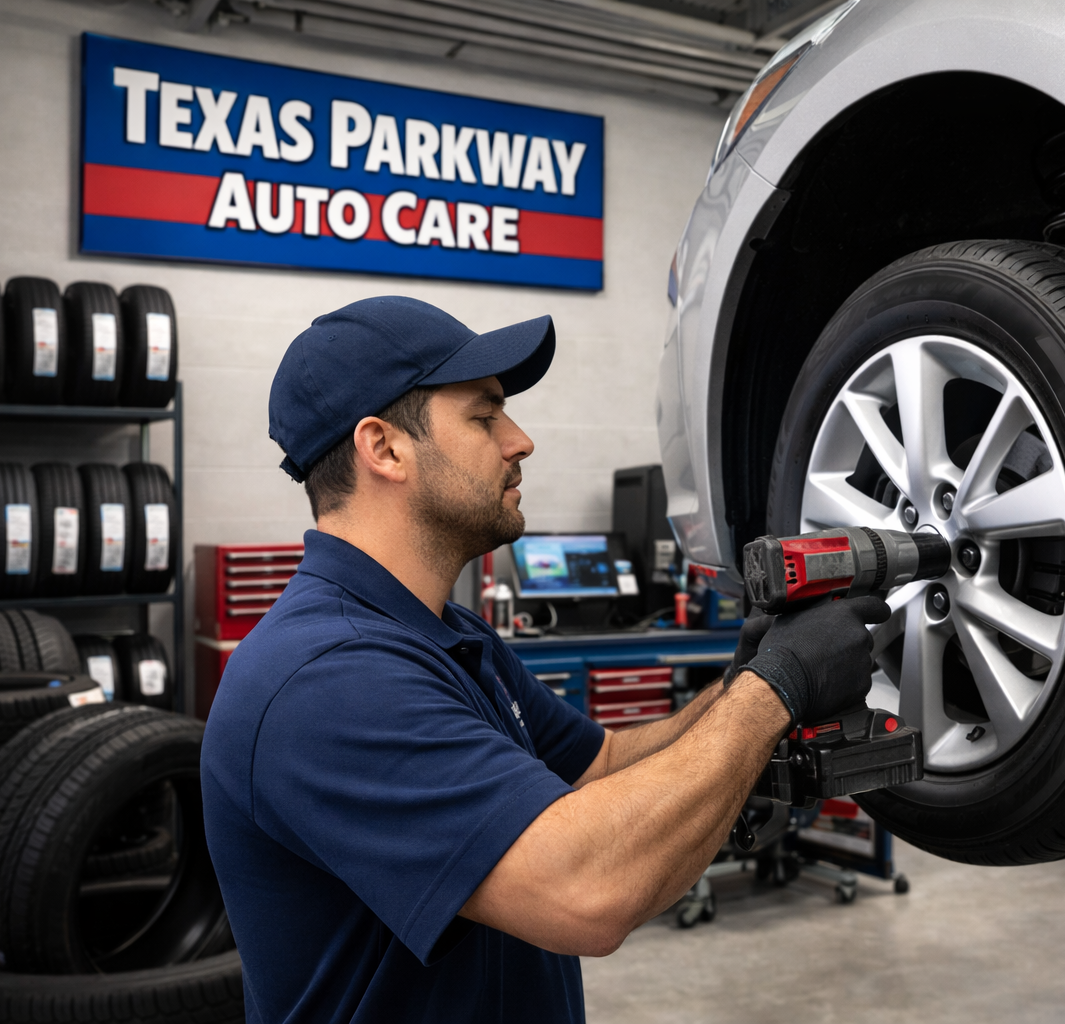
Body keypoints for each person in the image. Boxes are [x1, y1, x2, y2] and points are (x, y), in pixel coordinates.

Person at [201, 296, 890, 1023]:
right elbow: (588, 892)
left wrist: (734, 690)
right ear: (385, 449)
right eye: (484, 416)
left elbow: (601, 765)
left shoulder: (447, 635)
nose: (521, 441)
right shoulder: (325, 677)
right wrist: (775, 689)